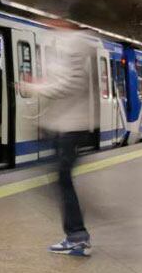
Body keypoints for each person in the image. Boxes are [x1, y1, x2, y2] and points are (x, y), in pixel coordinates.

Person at [21, 28, 93, 257]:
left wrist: (33, 86)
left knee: (63, 179)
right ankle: (77, 234)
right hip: (66, 125)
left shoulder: (74, 43)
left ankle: (77, 236)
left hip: (71, 127)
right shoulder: (66, 42)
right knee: (61, 179)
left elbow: (69, 85)